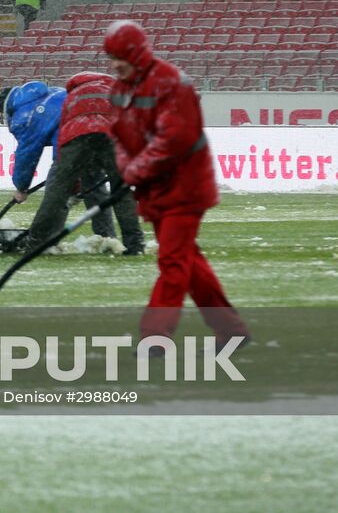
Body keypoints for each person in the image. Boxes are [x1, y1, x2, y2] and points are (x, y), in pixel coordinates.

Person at [104, 20, 248, 346]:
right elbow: (120, 138)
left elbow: (175, 139)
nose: (114, 65)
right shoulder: (120, 89)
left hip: (186, 186)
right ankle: (231, 329)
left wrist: (135, 171)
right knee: (187, 260)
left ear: (136, 54)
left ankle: (154, 335)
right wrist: (128, 169)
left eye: (119, 58)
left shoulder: (170, 82)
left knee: (172, 261)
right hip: (155, 187)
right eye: (109, 58)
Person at [0, 74, 145, 256]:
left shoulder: (25, 114)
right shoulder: (68, 94)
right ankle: (127, 243)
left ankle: (36, 244)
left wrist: (22, 186)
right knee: (115, 191)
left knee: (56, 193)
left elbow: (28, 153)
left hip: (78, 133)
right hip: (113, 133)